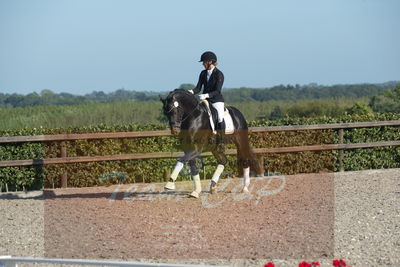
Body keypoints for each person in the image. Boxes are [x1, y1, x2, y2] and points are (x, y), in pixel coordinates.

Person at [189, 51, 226, 153]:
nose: (203, 64)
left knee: (219, 116)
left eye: (204, 62)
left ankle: (222, 141)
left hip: (216, 100)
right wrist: (190, 92)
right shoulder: (203, 73)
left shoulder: (219, 74)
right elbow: (198, 88)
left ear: (210, 62)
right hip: (205, 100)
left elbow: (217, 91)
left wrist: (207, 95)